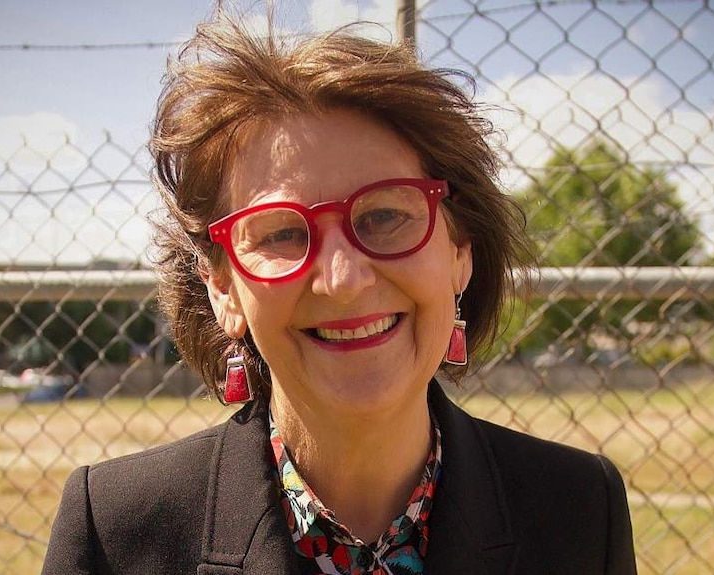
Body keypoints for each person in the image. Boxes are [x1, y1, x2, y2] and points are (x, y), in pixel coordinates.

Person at [42, 17, 637, 575]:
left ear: (461, 253)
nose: (343, 278)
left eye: (384, 215)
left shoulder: (581, 510)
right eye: (281, 233)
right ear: (222, 285)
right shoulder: (116, 532)